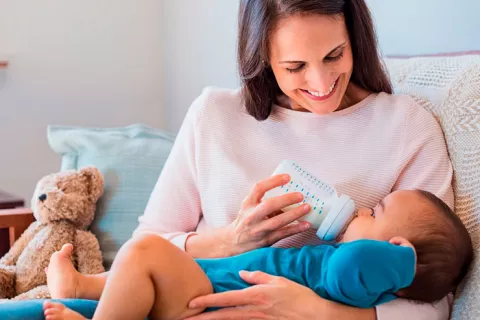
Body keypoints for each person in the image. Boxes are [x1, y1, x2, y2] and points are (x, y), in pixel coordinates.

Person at [51, 0, 457, 319]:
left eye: (335, 55)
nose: (321, 83)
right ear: (261, 57)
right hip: (182, 301)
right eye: (295, 66)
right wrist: (228, 240)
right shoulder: (214, 115)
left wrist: (316, 312)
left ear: (355, 36)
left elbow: (433, 297)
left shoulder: (406, 126)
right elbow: (146, 244)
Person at [42, 189, 473, 320]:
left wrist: (399, 261)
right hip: (209, 279)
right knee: (146, 270)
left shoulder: (348, 274)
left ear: (396, 252)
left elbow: (359, 266)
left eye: (375, 212)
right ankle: (84, 287)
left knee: (144, 254)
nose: (362, 209)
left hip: (209, 299)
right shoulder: (331, 263)